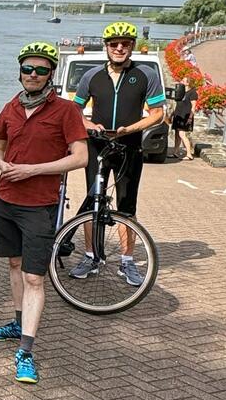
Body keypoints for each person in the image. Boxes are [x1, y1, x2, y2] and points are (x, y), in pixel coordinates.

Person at [0, 42, 88, 385]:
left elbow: (80, 157)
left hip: (39, 205)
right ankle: (17, 323)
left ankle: (26, 352)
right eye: (28, 69)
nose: (33, 75)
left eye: (41, 70)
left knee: (34, 278)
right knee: (14, 265)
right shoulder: (12, 106)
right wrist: (3, 165)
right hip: (6, 200)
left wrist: (33, 170)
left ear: (51, 74)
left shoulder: (66, 110)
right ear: (20, 71)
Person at [70, 21, 166, 287]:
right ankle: (90, 256)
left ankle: (126, 261)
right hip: (98, 146)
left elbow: (158, 114)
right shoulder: (91, 76)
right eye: (114, 44)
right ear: (107, 47)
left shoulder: (146, 74)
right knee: (93, 203)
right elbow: (73, 112)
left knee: (126, 207)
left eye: (125, 44)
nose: (120, 48)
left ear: (132, 46)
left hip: (129, 147)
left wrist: (129, 129)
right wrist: (91, 126)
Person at [171, 77, 199, 160]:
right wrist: (172, 114)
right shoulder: (181, 91)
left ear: (188, 83)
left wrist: (190, 117)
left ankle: (189, 154)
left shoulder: (192, 93)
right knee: (177, 135)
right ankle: (175, 152)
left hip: (185, 116)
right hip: (178, 115)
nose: (181, 82)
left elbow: (193, 106)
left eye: (183, 81)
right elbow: (177, 105)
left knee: (182, 134)